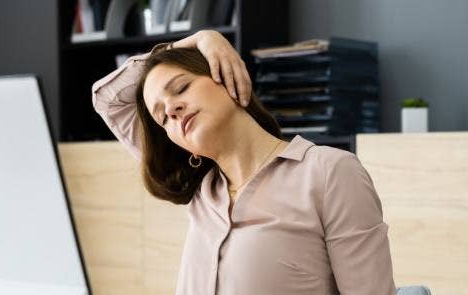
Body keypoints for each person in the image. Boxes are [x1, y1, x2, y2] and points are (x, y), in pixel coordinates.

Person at [92, 29, 395, 295]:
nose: (171, 109)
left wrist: (202, 47)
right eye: (162, 117)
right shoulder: (204, 193)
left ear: (226, 75)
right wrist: (197, 39)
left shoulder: (328, 173)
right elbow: (107, 99)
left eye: (181, 88)